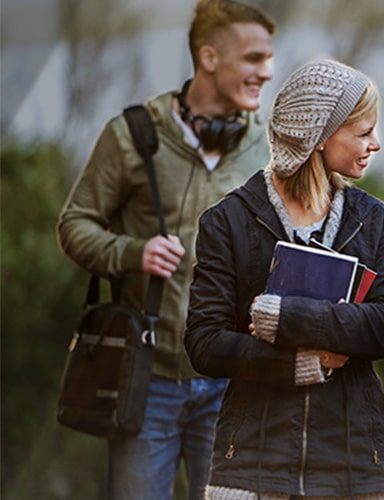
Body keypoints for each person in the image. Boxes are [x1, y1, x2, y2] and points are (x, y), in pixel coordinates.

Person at [56, 1, 275, 498]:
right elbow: (74, 224)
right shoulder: (132, 135)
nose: (266, 71)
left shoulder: (269, 148)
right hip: (145, 381)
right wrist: (133, 252)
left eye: (269, 58)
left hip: (232, 381)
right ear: (209, 57)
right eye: (253, 58)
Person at [184, 58, 384, 500]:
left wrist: (288, 318)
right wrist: (297, 365)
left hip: (353, 465)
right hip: (252, 465)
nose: (376, 144)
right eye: (364, 133)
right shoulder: (227, 222)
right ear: (320, 137)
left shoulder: (378, 221)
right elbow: (204, 342)